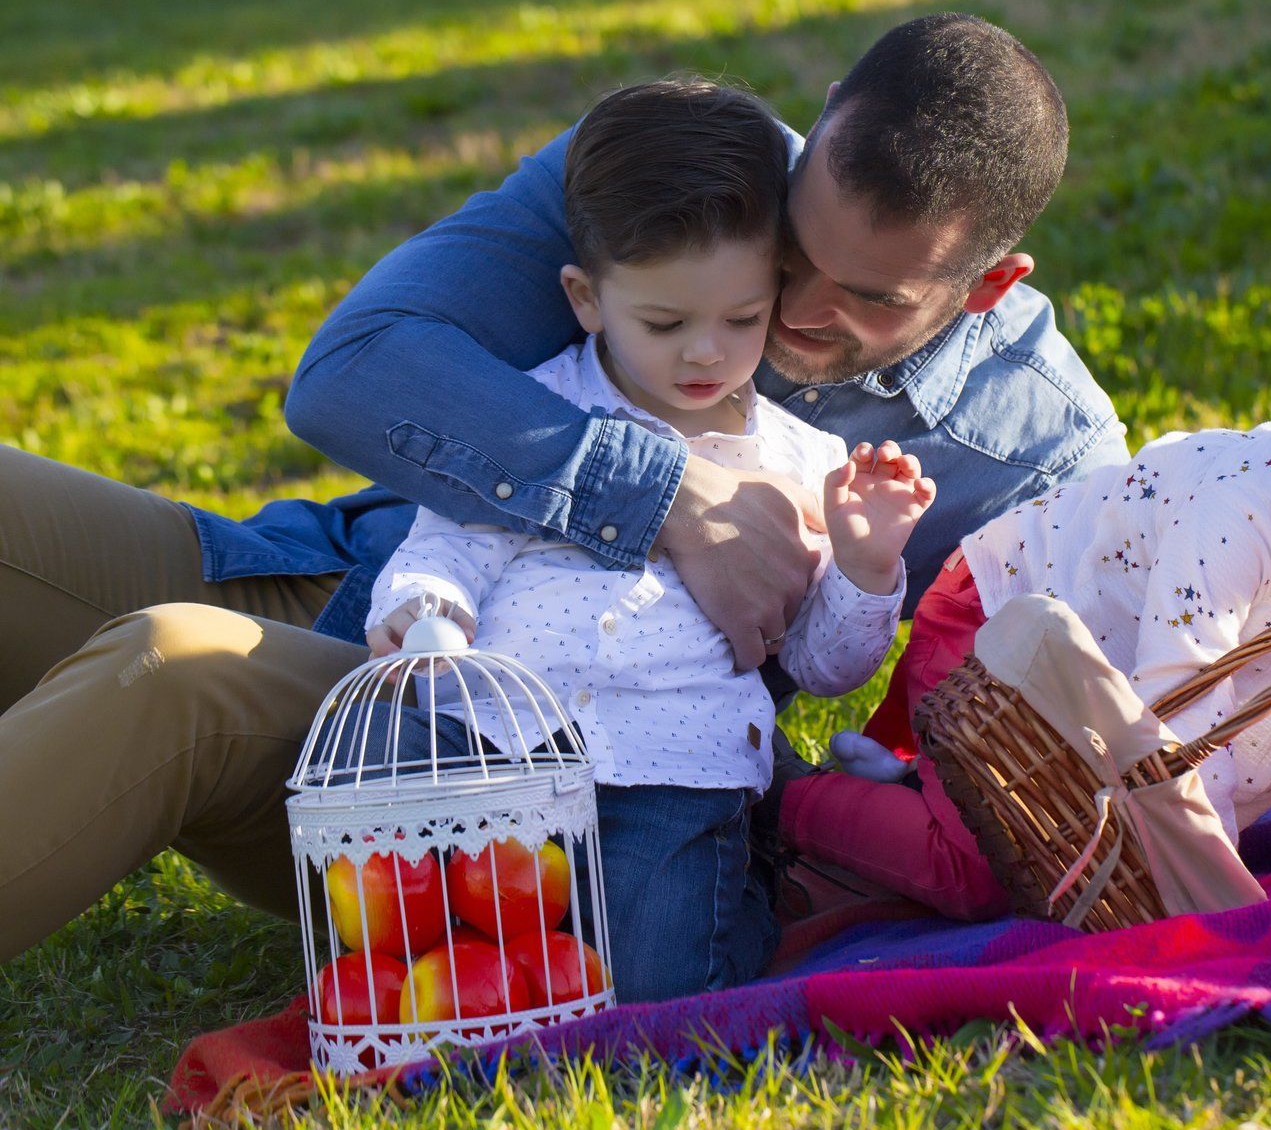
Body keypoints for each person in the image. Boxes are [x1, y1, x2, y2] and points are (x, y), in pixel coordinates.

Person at [0, 12, 1126, 962]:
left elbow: (1096, 767)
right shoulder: (669, 175)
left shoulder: (1047, 464)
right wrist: (670, 497)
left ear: (990, 287)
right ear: (822, 120)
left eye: (868, 297)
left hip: (461, 753)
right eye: (797, 242)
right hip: (328, 576)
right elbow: (349, 370)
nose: (792, 303)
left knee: (170, 671)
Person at [780, 249, 1271, 919]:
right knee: (993, 872)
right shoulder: (1246, 509)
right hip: (1002, 626)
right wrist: (1217, 897)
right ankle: (788, 801)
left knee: (1066, 844)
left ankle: (907, 785)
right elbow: (1175, 715)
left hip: (1107, 682)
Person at [352, 79, 932, 1000]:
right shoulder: (541, 411)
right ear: (586, 299)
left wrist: (864, 568)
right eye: (664, 324)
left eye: (742, 320)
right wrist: (428, 614)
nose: (706, 353)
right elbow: (452, 539)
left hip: (673, 772)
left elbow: (824, 666)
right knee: (429, 866)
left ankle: (752, 874)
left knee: (661, 979)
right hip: (502, 737)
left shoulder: (798, 461)